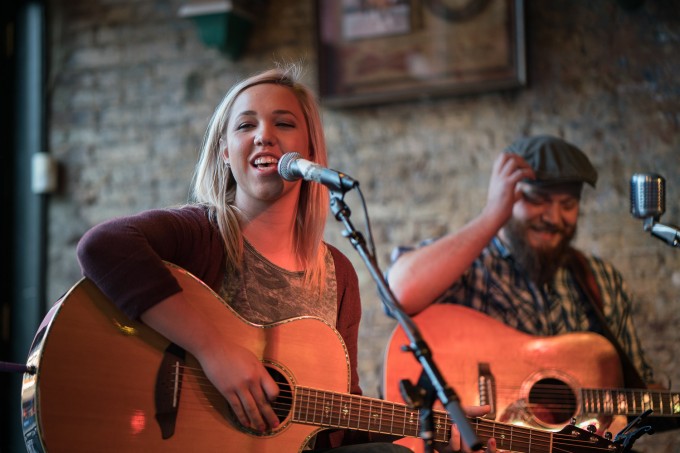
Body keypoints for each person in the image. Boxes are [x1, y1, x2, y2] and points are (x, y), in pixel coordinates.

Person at [76, 64, 495, 453]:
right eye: (246, 125)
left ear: (310, 148)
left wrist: (426, 424)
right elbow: (103, 246)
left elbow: (340, 414)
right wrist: (214, 351)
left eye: (284, 123)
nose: (264, 135)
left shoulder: (338, 274)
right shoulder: (200, 232)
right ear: (225, 151)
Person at [387, 135, 663, 434]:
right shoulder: (466, 263)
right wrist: (492, 214)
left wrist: (624, 422)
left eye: (568, 204)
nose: (553, 217)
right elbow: (399, 292)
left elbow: (640, 390)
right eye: (537, 199)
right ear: (506, 195)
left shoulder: (601, 280)